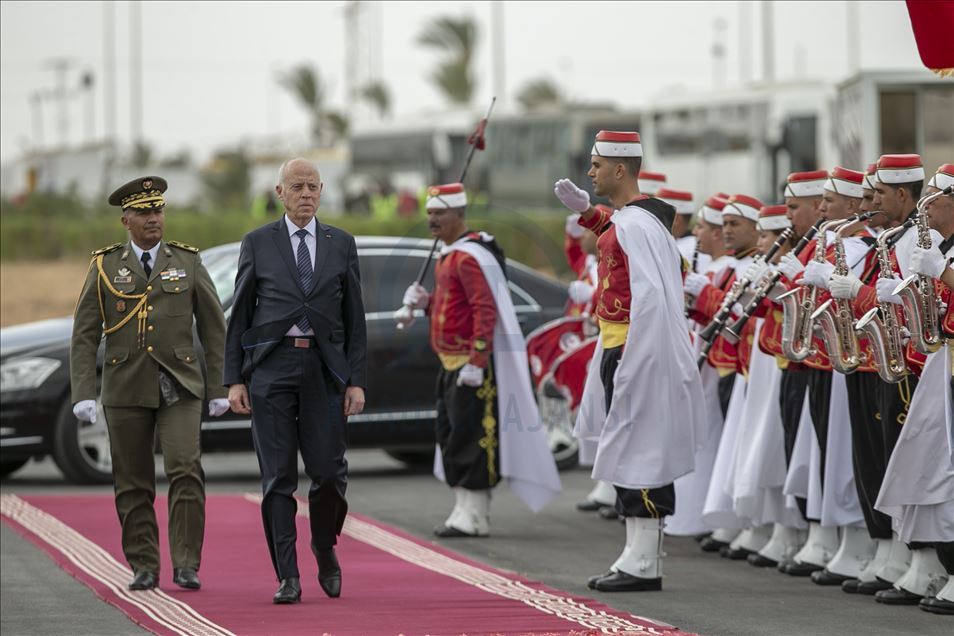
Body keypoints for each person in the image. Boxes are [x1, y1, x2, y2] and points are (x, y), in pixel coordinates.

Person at [555, 130, 704, 592]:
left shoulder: (637, 225)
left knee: (641, 451)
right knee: (631, 448)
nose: (591, 171)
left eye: (597, 164)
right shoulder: (633, 222)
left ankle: (643, 562)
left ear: (620, 169)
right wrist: (587, 213)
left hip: (635, 350)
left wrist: (638, 357)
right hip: (622, 346)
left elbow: (653, 297)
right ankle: (639, 555)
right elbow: (619, 236)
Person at [70, 176, 230, 592]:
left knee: (184, 468)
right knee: (132, 479)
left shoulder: (187, 262)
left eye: (157, 210)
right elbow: (85, 334)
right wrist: (84, 393)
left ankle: (186, 563)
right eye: (143, 212)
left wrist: (220, 387)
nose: (153, 219)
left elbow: (215, 330)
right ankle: (143, 563)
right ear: (126, 220)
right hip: (126, 386)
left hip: (180, 383)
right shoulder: (105, 266)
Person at [224, 158, 368, 604]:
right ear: (279, 192)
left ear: (321, 192)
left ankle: (324, 545)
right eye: (296, 187)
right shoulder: (258, 243)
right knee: (278, 478)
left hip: (324, 373)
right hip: (271, 370)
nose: (305, 194)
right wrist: (234, 379)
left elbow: (354, 320)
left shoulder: (340, 243)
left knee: (328, 474)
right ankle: (287, 575)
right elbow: (240, 316)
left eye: (312, 187)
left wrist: (355, 380)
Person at [397, 183, 561, 538]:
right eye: (429, 213)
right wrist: (424, 304)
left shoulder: (469, 257)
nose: (432, 220)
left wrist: (477, 359)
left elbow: (485, 310)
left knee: (472, 438)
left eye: (439, 213)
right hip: (449, 361)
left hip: (471, 367)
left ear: (459, 214)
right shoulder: (449, 256)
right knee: (451, 434)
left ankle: (474, 513)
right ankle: (464, 506)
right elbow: (450, 308)